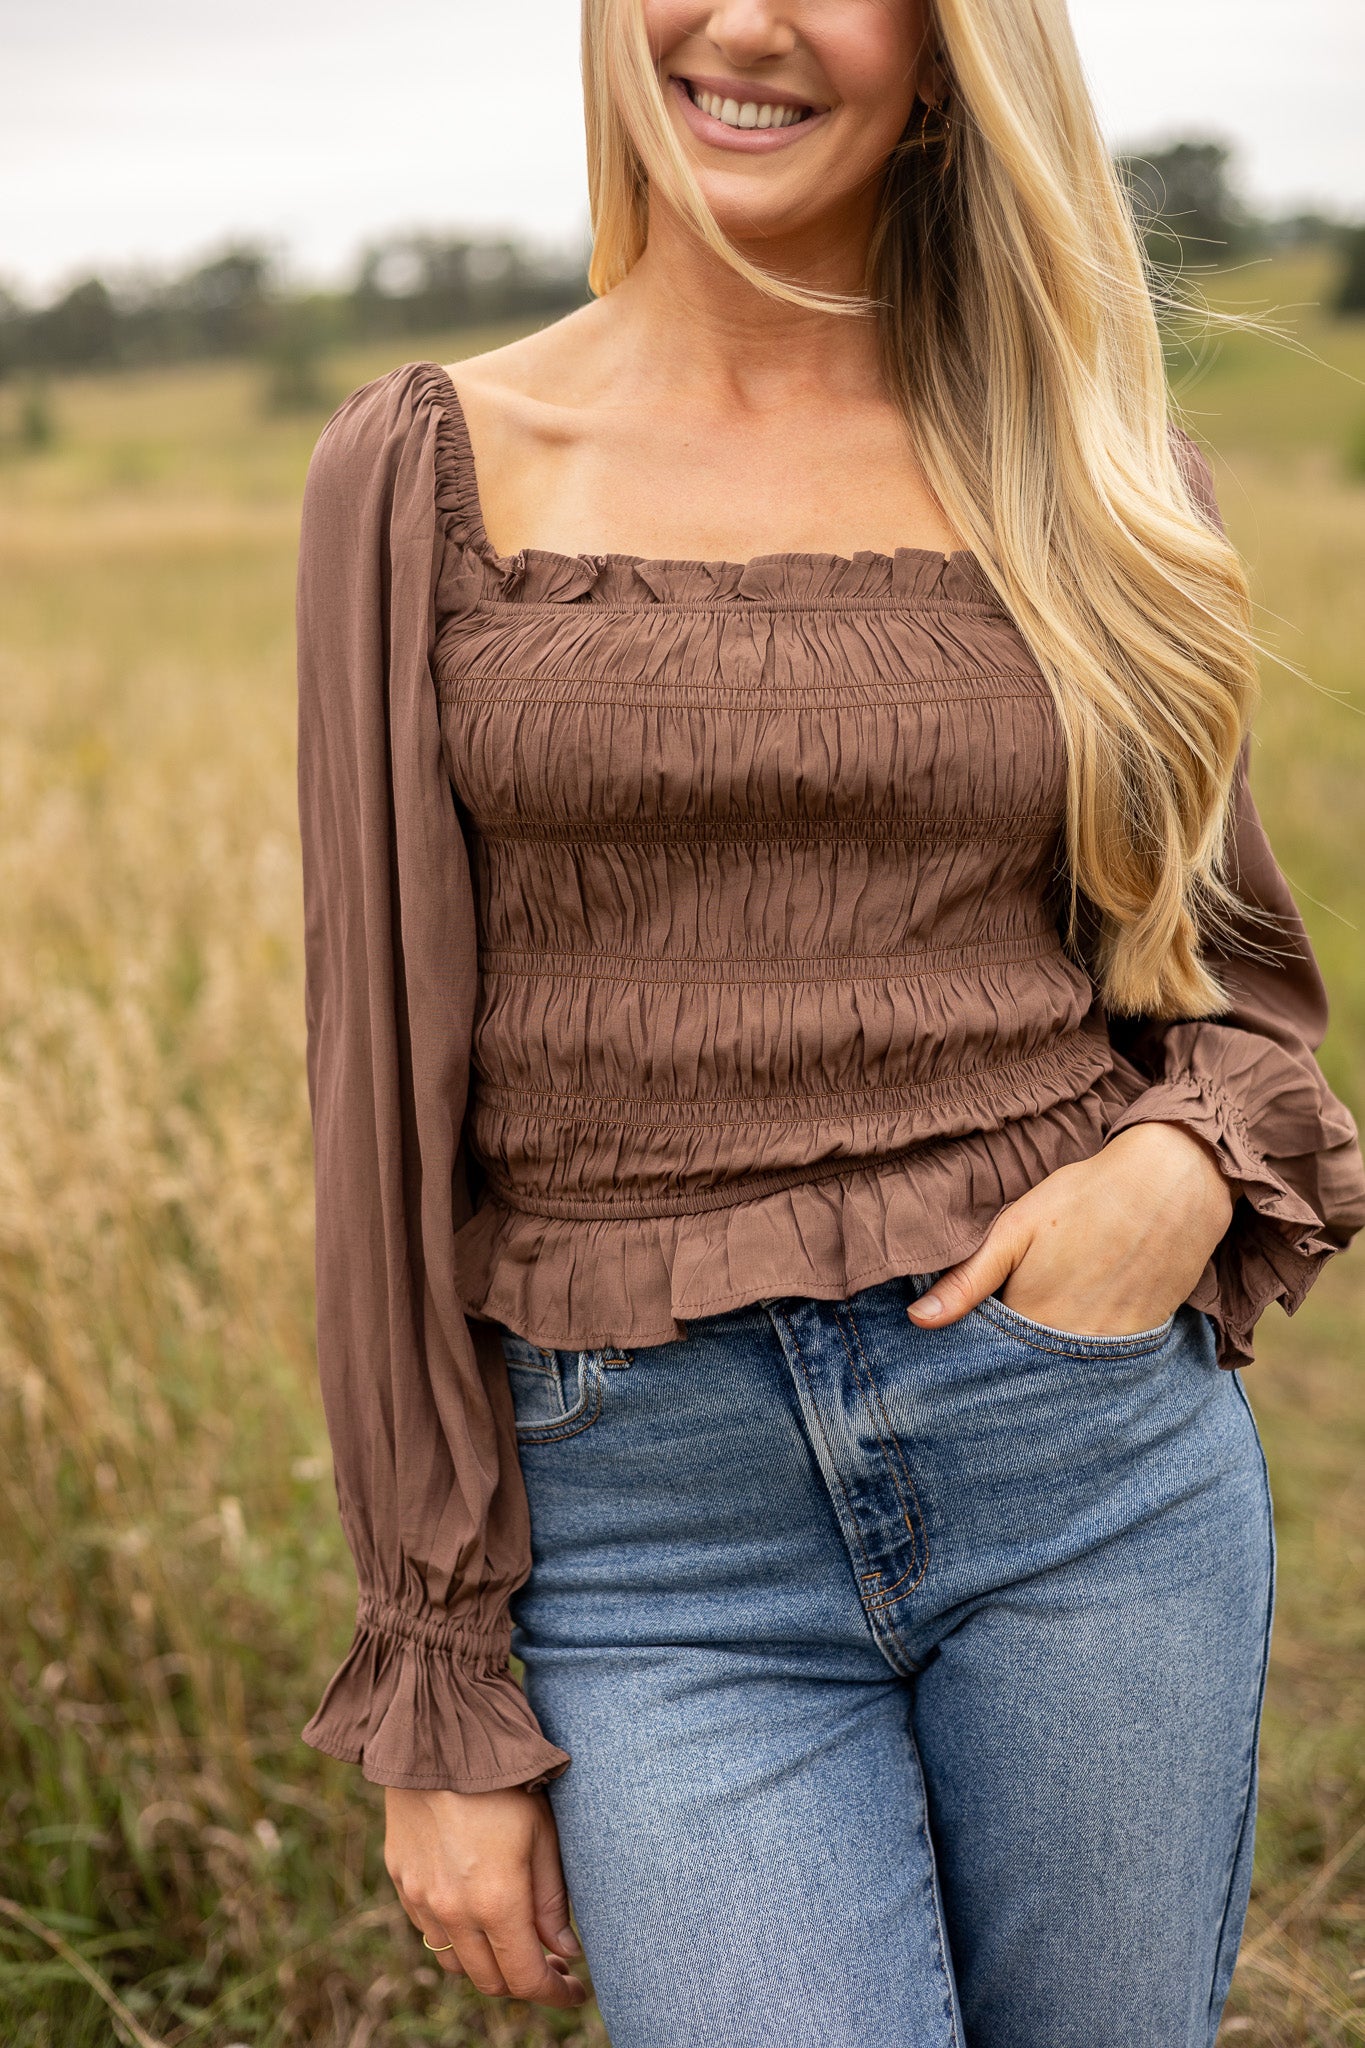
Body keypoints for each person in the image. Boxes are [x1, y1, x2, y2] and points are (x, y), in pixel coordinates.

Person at [293, 2, 1365, 2041]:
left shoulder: (1095, 467)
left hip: (1075, 1463)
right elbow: (376, 1093)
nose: (746, 21)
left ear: (954, 51)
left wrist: (1165, 1173)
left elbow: (1228, 989)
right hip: (643, 1527)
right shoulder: (425, 465)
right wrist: (432, 1671)